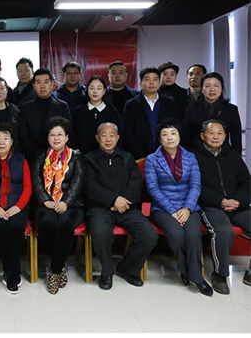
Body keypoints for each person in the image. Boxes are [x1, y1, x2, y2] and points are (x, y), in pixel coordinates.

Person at [83, 122, 158, 290]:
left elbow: (136, 183)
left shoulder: (127, 158)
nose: (108, 139)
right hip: (100, 208)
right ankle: (106, 272)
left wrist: (123, 202)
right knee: (101, 233)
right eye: (104, 135)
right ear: (97, 138)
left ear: (117, 138)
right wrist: (113, 200)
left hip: (127, 207)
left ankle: (127, 269)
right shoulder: (89, 159)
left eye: (112, 135)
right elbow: (89, 186)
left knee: (149, 235)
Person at [144, 118, 213, 296]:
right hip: (163, 208)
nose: (170, 138)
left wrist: (187, 208)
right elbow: (153, 189)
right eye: (165, 134)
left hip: (188, 206)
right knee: (176, 234)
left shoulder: (190, 157)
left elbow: (195, 185)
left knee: (193, 234)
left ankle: (196, 277)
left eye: (173, 133)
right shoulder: (152, 159)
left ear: (179, 136)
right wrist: (172, 211)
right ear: (159, 139)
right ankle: (187, 271)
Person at [193, 119, 251, 294]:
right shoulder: (193, 156)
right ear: (202, 136)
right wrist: (220, 201)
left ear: (225, 136)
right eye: (211, 133)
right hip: (211, 206)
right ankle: (220, 274)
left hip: (237, 205)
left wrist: (238, 200)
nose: (215, 137)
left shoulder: (233, 155)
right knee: (224, 231)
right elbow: (195, 186)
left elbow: (246, 182)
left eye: (220, 133)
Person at [31, 117, 85, 294]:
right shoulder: (40, 156)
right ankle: (60, 266)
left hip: (72, 204)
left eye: (60, 134)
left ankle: (55, 271)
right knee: (46, 223)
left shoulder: (76, 157)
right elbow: (36, 181)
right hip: (46, 203)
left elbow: (78, 181)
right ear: (48, 138)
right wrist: (44, 200)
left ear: (67, 137)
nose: (56, 138)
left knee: (64, 224)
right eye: (52, 135)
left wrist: (66, 202)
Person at [0, 122, 31, 294]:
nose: (2, 142)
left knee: (16, 227)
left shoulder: (21, 160)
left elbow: (28, 187)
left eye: (5, 138)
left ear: (11, 142)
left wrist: (18, 207)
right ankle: (12, 271)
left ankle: (10, 272)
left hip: (18, 207)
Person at [122, 67, 180, 160]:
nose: (151, 82)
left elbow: (175, 127)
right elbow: (128, 131)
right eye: (147, 79)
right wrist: (138, 153)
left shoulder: (169, 103)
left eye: (155, 79)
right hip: (139, 156)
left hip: (165, 154)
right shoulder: (131, 104)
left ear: (159, 83)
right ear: (141, 83)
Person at [19, 68, 71, 161]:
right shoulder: (25, 107)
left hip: (58, 157)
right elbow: (24, 135)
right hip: (32, 157)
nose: (42, 86)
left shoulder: (62, 106)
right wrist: (35, 155)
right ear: (34, 86)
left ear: (52, 84)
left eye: (46, 82)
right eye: (38, 82)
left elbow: (68, 132)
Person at [183, 72, 242, 154]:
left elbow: (236, 139)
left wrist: (236, 159)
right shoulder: (191, 109)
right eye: (207, 86)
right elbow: (186, 138)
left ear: (221, 88)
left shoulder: (231, 109)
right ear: (202, 89)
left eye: (216, 85)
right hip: (197, 155)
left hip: (223, 155)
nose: (212, 89)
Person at [71, 75, 122, 154]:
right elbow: (73, 134)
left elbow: (119, 135)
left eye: (99, 88)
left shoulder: (112, 112)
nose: (95, 91)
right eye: (91, 88)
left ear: (104, 91)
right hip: (82, 156)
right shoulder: (78, 111)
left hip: (106, 156)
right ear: (87, 90)